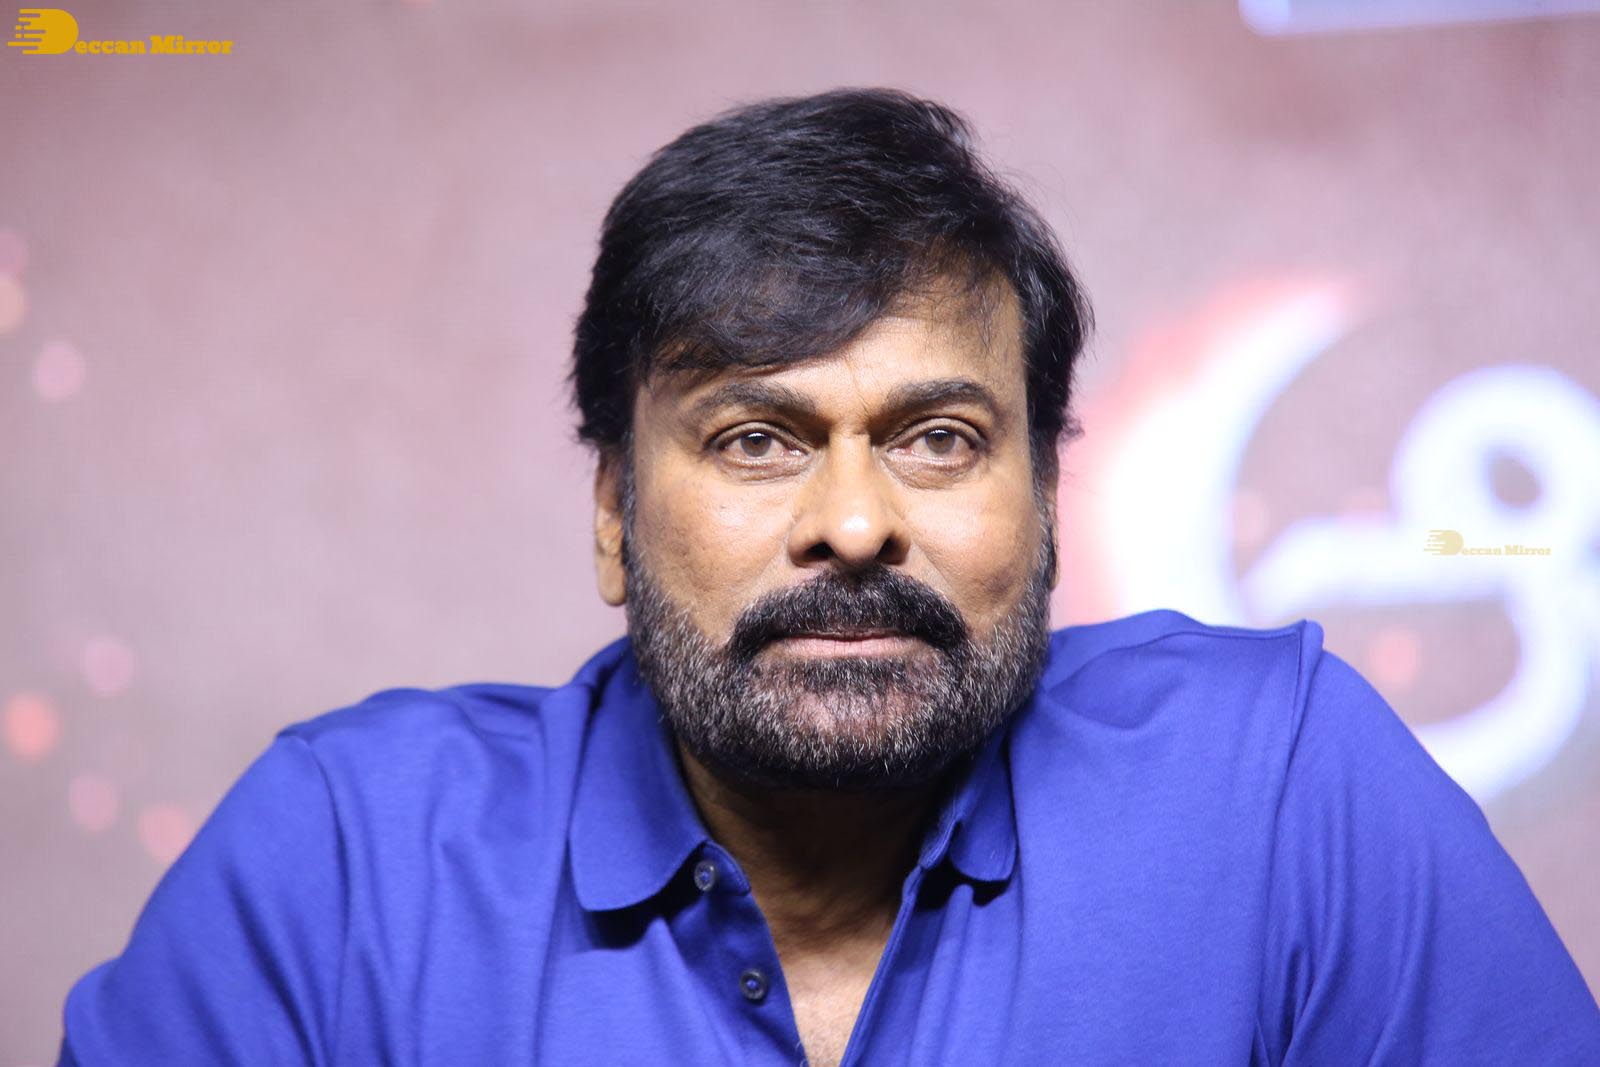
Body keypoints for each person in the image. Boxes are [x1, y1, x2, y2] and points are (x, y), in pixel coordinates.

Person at [58, 87, 1599, 1066]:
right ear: (611, 511)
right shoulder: (343, 866)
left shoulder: (1280, 792)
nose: (853, 523)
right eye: (755, 440)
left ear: (1044, 503)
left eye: (937, 439)